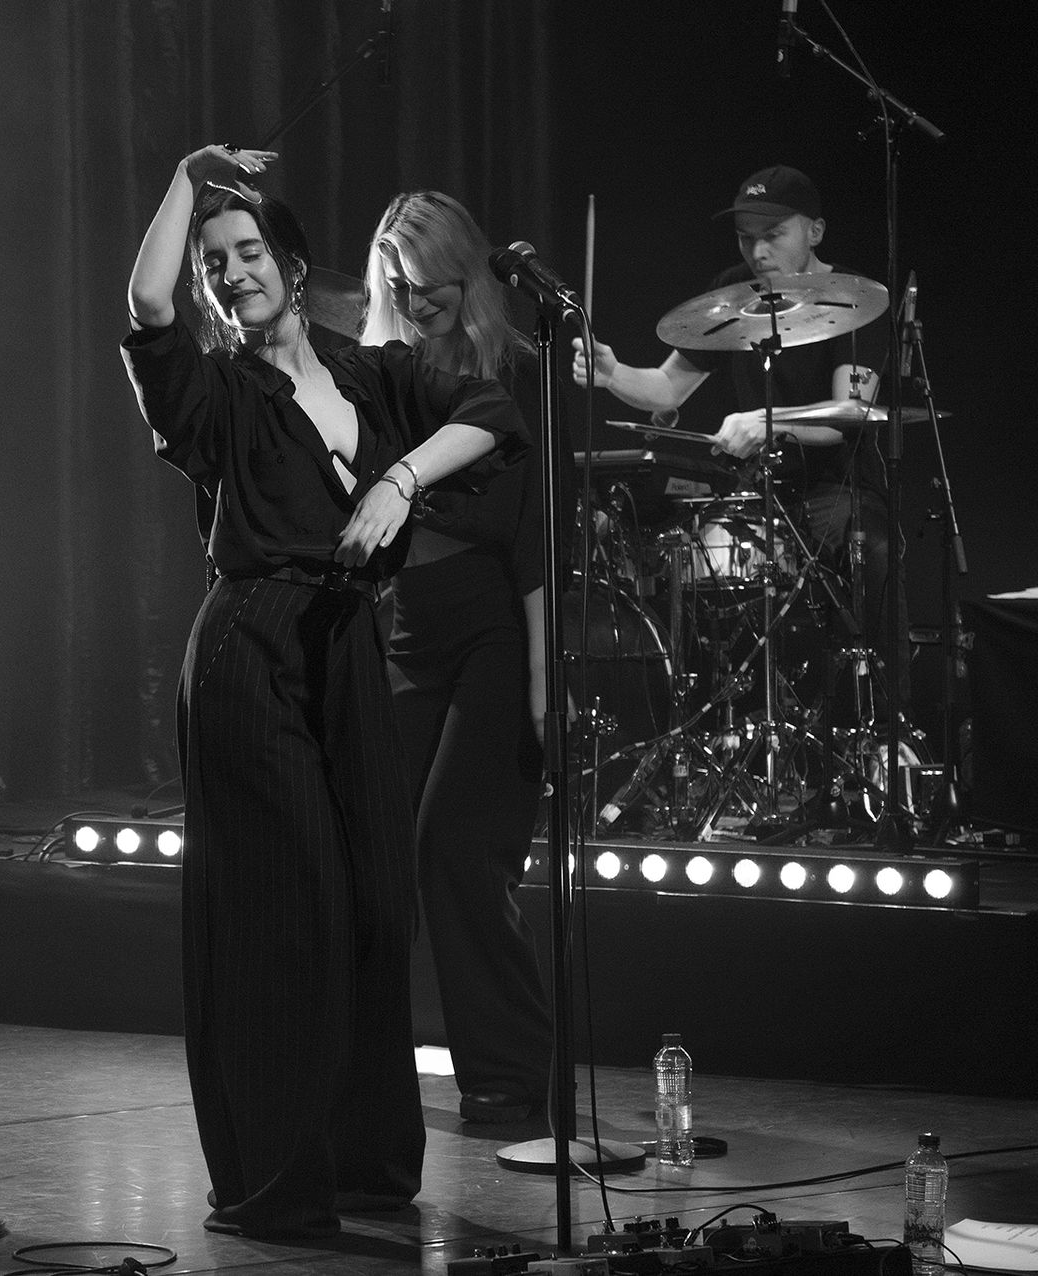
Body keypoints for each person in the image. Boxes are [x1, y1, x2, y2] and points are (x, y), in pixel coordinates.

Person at [122, 145, 525, 1239]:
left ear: (295, 267)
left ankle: (362, 1162)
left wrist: (400, 477)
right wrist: (189, 178)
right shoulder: (217, 390)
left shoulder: (368, 371)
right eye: (218, 261)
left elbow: (494, 413)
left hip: (348, 649)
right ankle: (273, 1181)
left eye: (249, 250)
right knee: (290, 913)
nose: (231, 272)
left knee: (374, 907)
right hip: (250, 651)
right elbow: (147, 303)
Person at [360, 192, 554, 1125]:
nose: (413, 296)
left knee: (459, 851)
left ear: (466, 271)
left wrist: (541, 676)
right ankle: (367, 1073)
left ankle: (510, 1080)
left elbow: (532, 539)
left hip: (489, 625)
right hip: (408, 625)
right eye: (395, 281)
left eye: (428, 279)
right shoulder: (384, 372)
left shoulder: (512, 369)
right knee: (380, 847)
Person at [571, 166, 899, 697]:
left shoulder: (853, 299)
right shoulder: (732, 291)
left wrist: (770, 423)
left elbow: (848, 415)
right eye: (747, 237)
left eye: (773, 235)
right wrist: (613, 375)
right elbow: (666, 389)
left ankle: (884, 720)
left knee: (876, 547)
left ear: (814, 231)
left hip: (834, 488)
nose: (757, 251)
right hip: (754, 490)